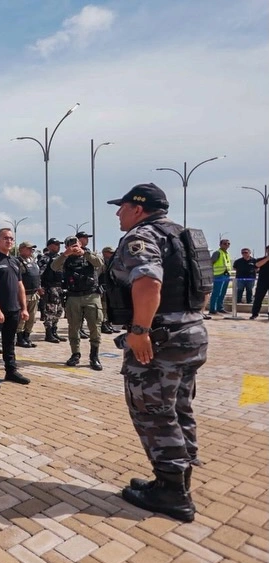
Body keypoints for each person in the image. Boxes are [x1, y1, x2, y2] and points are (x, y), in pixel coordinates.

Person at [103, 183, 212, 523]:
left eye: (122, 207)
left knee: (153, 412)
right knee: (179, 408)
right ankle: (177, 480)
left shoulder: (143, 237)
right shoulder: (182, 236)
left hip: (159, 340)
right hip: (191, 333)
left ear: (139, 208)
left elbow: (149, 282)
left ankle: (171, 493)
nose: (118, 212)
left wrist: (139, 331)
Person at [0, 229, 31, 388]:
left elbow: (20, 286)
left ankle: (11, 370)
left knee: (10, 342)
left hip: (14, 309)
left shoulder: (15, 261)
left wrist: (24, 308)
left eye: (11, 239)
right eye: (5, 238)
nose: (9, 241)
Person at [52, 235, 105, 371]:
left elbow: (99, 263)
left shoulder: (89, 254)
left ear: (80, 243)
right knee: (73, 326)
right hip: (73, 296)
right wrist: (65, 254)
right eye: (70, 245)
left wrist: (85, 253)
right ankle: (75, 354)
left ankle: (94, 356)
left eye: (75, 243)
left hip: (91, 295)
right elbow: (53, 266)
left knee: (95, 326)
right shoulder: (65, 258)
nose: (73, 247)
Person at [38, 238, 65, 343]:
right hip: (49, 287)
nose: (58, 246)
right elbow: (39, 273)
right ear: (49, 246)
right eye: (56, 244)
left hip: (59, 287)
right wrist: (39, 286)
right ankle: (48, 334)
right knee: (50, 311)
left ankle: (54, 332)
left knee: (59, 311)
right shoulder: (45, 258)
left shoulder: (59, 258)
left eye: (59, 244)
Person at [16, 241, 42, 349]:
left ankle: (27, 336)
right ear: (21, 249)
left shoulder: (32, 261)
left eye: (32, 249)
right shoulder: (18, 262)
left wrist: (39, 287)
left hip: (34, 294)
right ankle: (20, 338)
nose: (31, 251)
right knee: (22, 318)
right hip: (24, 294)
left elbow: (36, 276)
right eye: (28, 248)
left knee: (31, 317)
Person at [209, 238, 232, 314]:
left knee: (223, 293)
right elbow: (211, 262)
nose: (227, 245)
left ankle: (220, 307)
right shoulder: (217, 253)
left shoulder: (226, 253)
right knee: (216, 292)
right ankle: (213, 309)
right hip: (219, 275)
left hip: (226, 275)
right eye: (225, 244)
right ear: (220, 244)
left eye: (228, 244)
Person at [99, 246, 117, 333]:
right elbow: (97, 275)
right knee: (103, 307)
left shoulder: (111, 262)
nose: (112, 255)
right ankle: (103, 324)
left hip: (109, 288)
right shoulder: (101, 263)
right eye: (110, 253)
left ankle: (107, 323)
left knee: (109, 307)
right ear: (105, 253)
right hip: (102, 287)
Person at [251, 245, 269, 319]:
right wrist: (267, 258)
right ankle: (255, 314)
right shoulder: (261, 259)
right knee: (258, 298)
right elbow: (257, 265)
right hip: (263, 281)